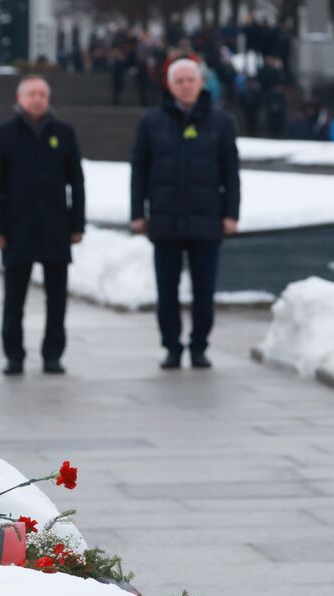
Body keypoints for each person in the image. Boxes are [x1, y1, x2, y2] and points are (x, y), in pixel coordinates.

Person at [130, 58, 240, 369]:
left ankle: (199, 345)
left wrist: (231, 214)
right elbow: (139, 169)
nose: (186, 86)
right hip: (165, 220)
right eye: (179, 81)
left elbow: (231, 173)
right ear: (170, 85)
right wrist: (138, 212)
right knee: (167, 289)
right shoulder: (151, 122)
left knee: (204, 289)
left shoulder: (221, 123)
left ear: (201, 83)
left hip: (206, 219)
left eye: (191, 80)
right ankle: (172, 346)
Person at [0, 75, 86, 376]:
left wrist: (77, 223)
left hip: (56, 227)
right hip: (17, 227)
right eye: (31, 94)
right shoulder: (3, 135)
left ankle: (52, 354)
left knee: (56, 297)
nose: (37, 99)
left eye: (42, 94)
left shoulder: (64, 133)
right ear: (19, 98)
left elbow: (77, 183)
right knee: (14, 296)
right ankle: (13, 354)